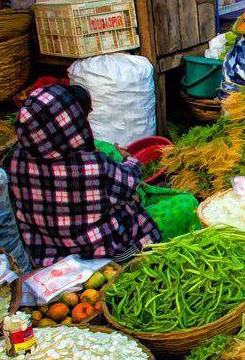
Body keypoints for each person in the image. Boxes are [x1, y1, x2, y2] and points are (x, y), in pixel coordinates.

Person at [8, 84, 161, 268]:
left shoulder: (17, 158)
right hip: (94, 249)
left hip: (48, 251)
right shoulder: (89, 164)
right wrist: (130, 160)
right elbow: (129, 183)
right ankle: (125, 258)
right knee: (141, 212)